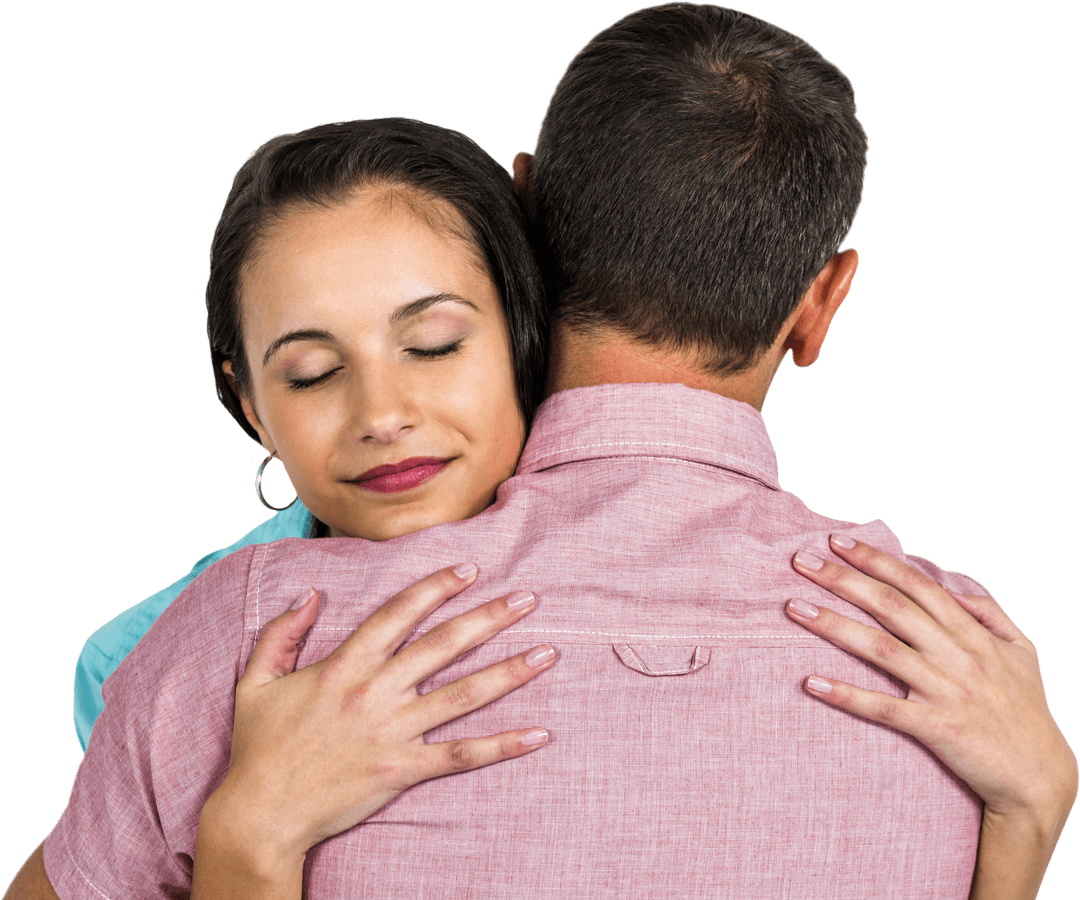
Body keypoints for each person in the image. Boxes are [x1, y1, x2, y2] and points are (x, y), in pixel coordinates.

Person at [9, 4, 1074, 900]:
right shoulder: (969, 668)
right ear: (822, 302)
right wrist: (1026, 820)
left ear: (525, 222)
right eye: (311, 369)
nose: (386, 415)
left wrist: (246, 848)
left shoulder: (253, 642)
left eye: (428, 342)